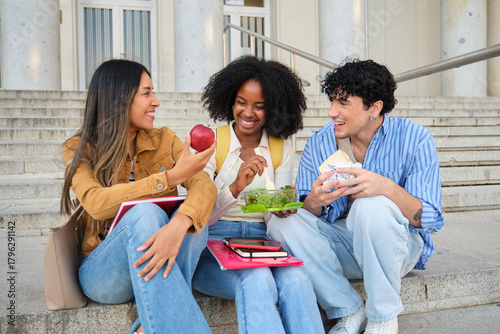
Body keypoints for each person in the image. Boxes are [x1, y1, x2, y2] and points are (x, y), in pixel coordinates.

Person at [266, 59, 444, 334]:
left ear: (374, 108)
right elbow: (307, 212)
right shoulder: (319, 142)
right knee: (281, 223)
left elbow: (430, 219)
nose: (331, 112)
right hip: (343, 245)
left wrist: (386, 188)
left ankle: (383, 316)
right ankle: (349, 309)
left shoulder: (415, 138)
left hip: (397, 248)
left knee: (371, 206)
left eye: (344, 103)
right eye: (332, 101)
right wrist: (314, 200)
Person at [60, 59, 217, 334]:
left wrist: (179, 224)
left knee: (194, 219)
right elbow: (95, 203)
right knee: (147, 213)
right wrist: (168, 179)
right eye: (146, 93)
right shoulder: (79, 148)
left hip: (162, 258)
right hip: (104, 273)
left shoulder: (165, 140)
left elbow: (205, 186)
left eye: (153, 92)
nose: (155, 101)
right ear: (118, 98)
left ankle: (147, 327)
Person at [192, 56, 325, 334]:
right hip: (211, 243)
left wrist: (282, 208)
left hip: (262, 242)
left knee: (297, 278)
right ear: (230, 100)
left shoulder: (280, 147)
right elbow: (197, 212)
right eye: (241, 102)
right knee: (257, 277)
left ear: (273, 109)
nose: (248, 112)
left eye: (259, 106)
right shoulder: (211, 143)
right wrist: (235, 186)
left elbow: (275, 206)